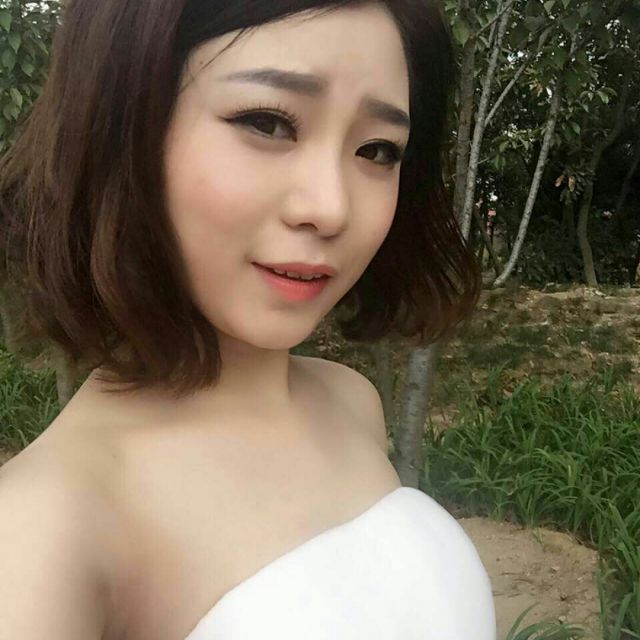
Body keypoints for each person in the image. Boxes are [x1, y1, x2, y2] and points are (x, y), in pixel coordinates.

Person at [0, 0, 496, 638]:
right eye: (268, 122)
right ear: (123, 126)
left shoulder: (350, 402)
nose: (331, 207)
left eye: (377, 149)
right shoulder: (45, 530)